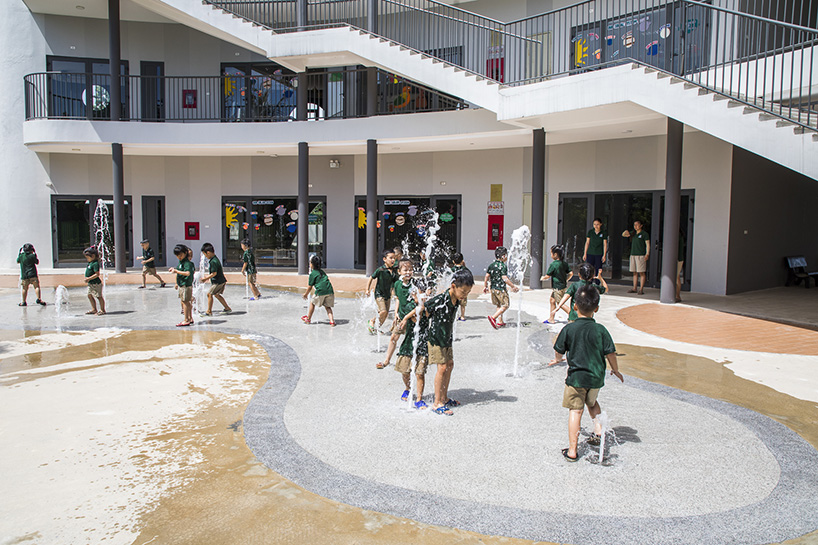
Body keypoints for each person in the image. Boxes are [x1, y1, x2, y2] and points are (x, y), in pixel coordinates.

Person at [549, 285, 623, 462]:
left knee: (576, 411)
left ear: (575, 306)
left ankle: (573, 451)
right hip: (596, 378)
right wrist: (615, 369)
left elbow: (558, 349)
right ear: (596, 309)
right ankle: (598, 434)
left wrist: (558, 359)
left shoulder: (569, 329)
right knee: (592, 403)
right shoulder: (601, 330)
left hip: (576, 378)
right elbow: (610, 353)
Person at [426, 268, 474, 415]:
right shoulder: (441, 299)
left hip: (447, 337)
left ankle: (444, 398)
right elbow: (425, 308)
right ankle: (437, 403)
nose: (465, 295)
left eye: (468, 292)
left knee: (449, 365)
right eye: (463, 292)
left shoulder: (456, 299)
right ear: (453, 286)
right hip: (436, 338)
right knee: (442, 367)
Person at [377, 258, 416, 369]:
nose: (408, 272)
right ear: (399, 272)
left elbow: (418, 303)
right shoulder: (397, 284)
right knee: (394, 337)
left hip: (412, 318)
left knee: (412, 340)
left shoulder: (415, 284)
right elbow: (398, 298)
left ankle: (412, 362)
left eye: (410, 270)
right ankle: (387, 360)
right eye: (405, 270)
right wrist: (396, 313)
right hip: (401, 316)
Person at [395, 292, 429, 409]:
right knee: (405, 371)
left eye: (423, 294)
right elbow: (416, 313)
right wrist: (406, 316)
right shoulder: (409, 306)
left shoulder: (429, 306)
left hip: (422, 345)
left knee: (420, 373)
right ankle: (407, 388)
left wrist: (406, 317)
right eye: (417, 294)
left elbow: (423, 310)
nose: (420, 297)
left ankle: (419, 399)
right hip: (408, 344)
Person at [484, 246, 519, 329]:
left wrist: (485, 286)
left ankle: (500, 322)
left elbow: (486, 276)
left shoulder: (492, 265)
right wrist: (513, 286)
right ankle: (493, 317)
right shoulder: (502, 266)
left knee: (499, 305)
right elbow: (504, 278)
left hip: (493, 289)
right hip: (500, 289)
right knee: (506, 305)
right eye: (506, 255)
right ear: (503, 256)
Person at [365, 249, 397, 334]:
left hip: (388, 295)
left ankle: (376, 328)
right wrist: (367, 289)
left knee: (385, 315)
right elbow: (371, 278)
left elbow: (395, 283)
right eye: (391, 258)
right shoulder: (380, 270)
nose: (393, 260)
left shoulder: (394, 271)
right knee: (383, 311)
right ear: (384, 259)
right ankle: (372, 321)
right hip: (379, 294)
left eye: (394, 258)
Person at [540, 244, 573, 323]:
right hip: (562, 286)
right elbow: (571, 273)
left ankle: (573, 315)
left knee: (560, 303)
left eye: (551, 253)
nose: (551, 255)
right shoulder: (564, 263)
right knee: (552, 300)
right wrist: (566, 280)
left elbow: (548, 276)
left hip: (557, 288)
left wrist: (543, 278)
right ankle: (551, 319)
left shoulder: (553, 264)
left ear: (555, 254)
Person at [302, 255, 335, 326]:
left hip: (320, 291)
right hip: (330, 290)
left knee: (312, 303)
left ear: (312, 264)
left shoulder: (312, 274)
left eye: (310, 263)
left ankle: (308, 319)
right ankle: (332, 321)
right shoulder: (322, 272)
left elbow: (310, 287)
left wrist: (306, 294)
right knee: (327, 306)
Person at [200, 243, 231, 316]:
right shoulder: (214, 259)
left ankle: (209, 312)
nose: (205, 256)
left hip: (218, 282)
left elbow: (214, 273)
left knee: (209, 294)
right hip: (221, 281)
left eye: (205, 254)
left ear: (208, 252)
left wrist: (205, 278)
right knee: (216, 295)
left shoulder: (213, 261)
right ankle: (227, 308)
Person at [168, 244, 195, 326]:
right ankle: (190, 318)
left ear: (185, 253)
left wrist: (176, 271)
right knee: (185, 302)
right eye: (177, 255)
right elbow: (179, 272)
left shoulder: (187, 263)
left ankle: (186, 319)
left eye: (181, 255)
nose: (179, 257)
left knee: (186, 302)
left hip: (186, 285)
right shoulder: (181, 262)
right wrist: (176, 282)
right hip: (182, 285)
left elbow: (187, 273)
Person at [622, 220, 650, 294]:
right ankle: (634, 288)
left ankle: (641, 289)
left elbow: (647, 244)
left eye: (637, 225)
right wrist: (626, 232)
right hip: (633, 254)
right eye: (634, 225)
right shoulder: (633, 233)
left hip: (641, 255)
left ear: (641, 225)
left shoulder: (644, 234)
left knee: (641, 272)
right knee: (634, 272)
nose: (636, 226)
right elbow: (623, 235)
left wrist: (647, 254)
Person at [83, 247, 105, 316]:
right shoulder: (90, 263)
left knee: (99, 296)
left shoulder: (95, 264)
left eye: (87, 257)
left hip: (96, 283)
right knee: (89, 295)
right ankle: (94, 309)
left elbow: (97, 274)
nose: (87, 259)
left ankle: (102, 310)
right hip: (91, 283)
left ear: (93, 256)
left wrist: (89, 278)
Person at [450, 252, 470, 321]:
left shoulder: (452, 270)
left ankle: (454, 316)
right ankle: (462, 316)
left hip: (455, 289)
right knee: (463, 304)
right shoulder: (465, 269)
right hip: (462, 289)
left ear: (453, 261)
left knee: (454, 303)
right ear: (462, 261)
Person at [676, 230, 686, 303]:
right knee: (677, 277)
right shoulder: (680, 236)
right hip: (679, 259)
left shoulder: (677, 237)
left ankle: (678, 296)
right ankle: (677, 295)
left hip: (677, 259)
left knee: (677, 277)